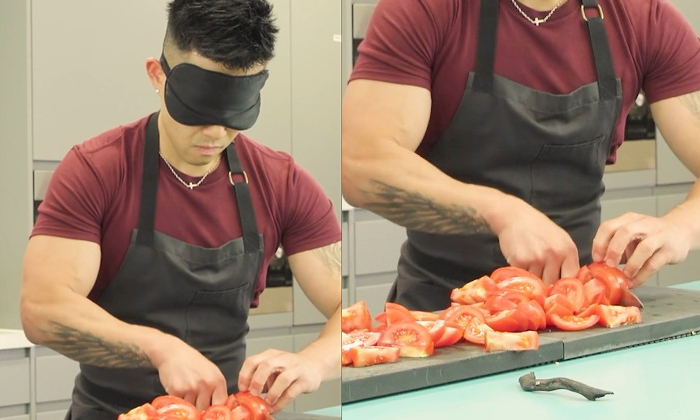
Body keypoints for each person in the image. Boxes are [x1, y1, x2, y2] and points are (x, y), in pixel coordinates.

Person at [20, 0, 341, 418]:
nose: (213, 132)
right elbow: (42, 309)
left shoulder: (281, 180)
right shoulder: (96, 170)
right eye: (197, 111)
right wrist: (160, 348)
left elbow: (348, 307)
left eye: (233, 116)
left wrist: (313, 361)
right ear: (157, 75)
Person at [342, 0, 700, 311]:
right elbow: (360, 165)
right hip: (441, 312)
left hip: (575, 307)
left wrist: (679, 228)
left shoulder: (643, 19)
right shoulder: (425, 10)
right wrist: (501, 213)